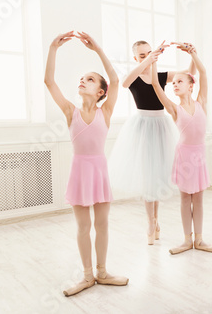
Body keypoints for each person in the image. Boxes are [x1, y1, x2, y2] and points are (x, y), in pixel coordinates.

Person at [44, 31, 128, 296]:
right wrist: (53, 49)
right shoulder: (71, 112)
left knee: (102, 225)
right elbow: (48, 81)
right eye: (81, 79)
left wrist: (98, 50)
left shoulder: (106, 111)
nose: (82, 81)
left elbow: (115, 79)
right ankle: (87, 276)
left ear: (100, 91)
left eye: (89, 80)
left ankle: (103, 273)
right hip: (80, 173)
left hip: (100, 172)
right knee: (83, 227)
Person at [108, 40, 196, 245]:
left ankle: (156, 221)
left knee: (157, 177)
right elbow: (123, 83)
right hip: (142, 127)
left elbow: (188, 75)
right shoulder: (134, 77)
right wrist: (147, 61)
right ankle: (150, 223)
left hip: (161, 125)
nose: (147, 57)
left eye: (149, 53)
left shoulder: (162, 76)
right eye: (141, 55)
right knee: (148, 176)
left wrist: (192, 55)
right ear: (135, 58)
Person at [150, 42, 212, 255]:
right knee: (185, 198)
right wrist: (154, 59)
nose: (175, 84)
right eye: (174, 83)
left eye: (179, 81)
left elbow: (203, 73)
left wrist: (193, 53)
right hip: (184, 156)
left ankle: (199, 239)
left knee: (198, 199)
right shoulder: (174, 108)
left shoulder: (201, 102)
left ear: (191, 85)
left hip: (199, 156)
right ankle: (187, 240)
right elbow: (155, 85)